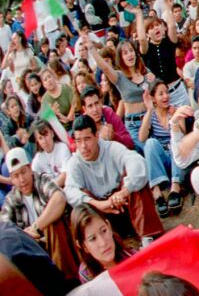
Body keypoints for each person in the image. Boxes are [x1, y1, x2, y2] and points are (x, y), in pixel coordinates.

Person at [64, 115, 163, 243]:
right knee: (79, 202)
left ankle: (147, 236)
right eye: (78, 141)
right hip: (102, 217)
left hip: (126, 207)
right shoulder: (75, 162)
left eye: (87, 139)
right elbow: (70, 191)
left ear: (96, 136)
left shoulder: (111, 148)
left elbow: (137, 161)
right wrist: (99, 205)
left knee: (136, 178)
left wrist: (124, 191)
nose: (83, 146)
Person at [0, 147, 77, 280]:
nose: (22, 179)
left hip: (57, 241)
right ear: (11, 179)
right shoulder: (11, 199)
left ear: (30, 169)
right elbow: (4, 230)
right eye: (16, 176)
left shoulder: (41, 180)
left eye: (23, 172)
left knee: (54, 224)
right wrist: (25, 236)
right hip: (33, 251)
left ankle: (67, 278)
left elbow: (59, 198)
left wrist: (36, 227)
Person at [139, 81, 184, 217]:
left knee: (175, 141)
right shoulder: (151, 115)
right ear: (153, 98)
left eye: (167, 92)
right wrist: (149, 110)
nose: (165, 96)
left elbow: (183, 136)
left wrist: (176, 119)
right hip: (162, 161)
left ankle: (175, 188)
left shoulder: (175, 110)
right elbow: (142, 137)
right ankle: (157, 193)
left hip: (176, 158)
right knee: (150, 143)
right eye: (161, 94)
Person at [70, 203, 134, 283]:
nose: (103, 243)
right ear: (83, 246)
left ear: (109, 226)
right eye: (93, 239)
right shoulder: (87, 274)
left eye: (104, 231)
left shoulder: (131, 256)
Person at [79, 86, 135, 151]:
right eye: (90, 106)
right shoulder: (82, 124)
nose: (95, 109)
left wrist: (114, 136)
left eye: (96, 103)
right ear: (84, 109)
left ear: (101, 102)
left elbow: (130, 143)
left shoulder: (109, 114)